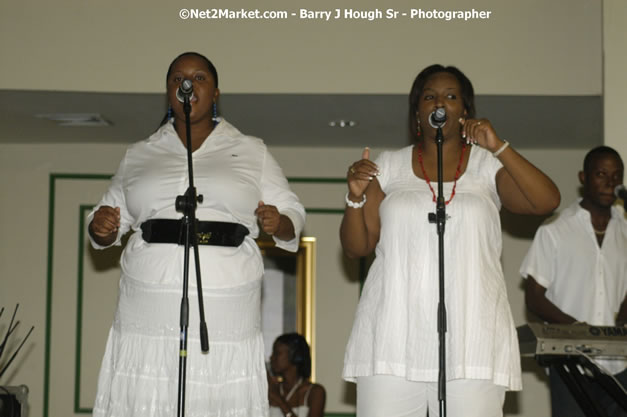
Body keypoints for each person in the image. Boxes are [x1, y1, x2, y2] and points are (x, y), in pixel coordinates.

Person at [87, 52, 306, 417]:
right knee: (150, 388)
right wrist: (101, 226)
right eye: (177, 78)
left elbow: (293, 214)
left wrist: (278, 223)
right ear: (169, 92)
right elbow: (108, 217)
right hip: (148, 300)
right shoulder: (139, 153)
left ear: (216, 92)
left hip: (225, 302)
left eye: (199, 77)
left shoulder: (252, 151)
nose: (187, 84)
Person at [340, 64, 561, 417]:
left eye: (450, 96)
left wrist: (499, 146)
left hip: (473, 339)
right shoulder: (389, 166)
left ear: (465, 111)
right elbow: (357, 247)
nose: (439, 101)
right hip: (393, 336)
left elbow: (546, 201)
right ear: (417, 113)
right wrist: (354, 197)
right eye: (429, 96)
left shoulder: (487, 166)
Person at [520, 146, 627, 417]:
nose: (610, 182)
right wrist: (578, 330)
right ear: (583, 178)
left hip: (620, 366)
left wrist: (620, 326)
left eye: (617, 175)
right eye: (601, 174)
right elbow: (534, 297)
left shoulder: (625, 232)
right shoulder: (555, 230)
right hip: (570, 365)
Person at [268, 333, 326, 417]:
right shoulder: (273, 388)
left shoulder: (315, 392)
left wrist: (279, 400)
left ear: (295, 356)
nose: (271, 357)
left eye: (277, 353)